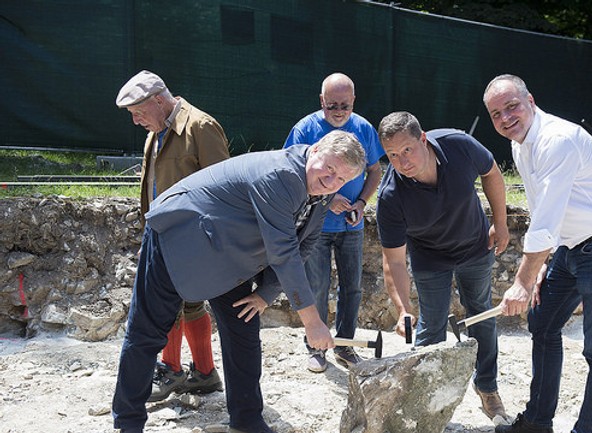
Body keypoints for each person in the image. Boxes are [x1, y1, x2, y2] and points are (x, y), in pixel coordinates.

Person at [111, 130, 367, 433]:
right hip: (182, 237)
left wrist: (265, 295)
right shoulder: (282, 175)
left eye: (341, 179)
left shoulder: (321, 194)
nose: (331, 180)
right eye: (330, 167)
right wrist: (312, 322)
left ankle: (247, 420)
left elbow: (304, 245)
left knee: (243, 331)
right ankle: (127, 423)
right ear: (315, 151)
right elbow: (283, 251)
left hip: (230, 253)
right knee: (147, 332)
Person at [482, 74, 592, 433]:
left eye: (511, 107)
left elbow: (544, 219)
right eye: (496, 114)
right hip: (574, 246)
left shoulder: (557, 140)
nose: (506, 118)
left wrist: (523, 281)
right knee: (543, 323)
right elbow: (546, 209)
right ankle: (538, 423)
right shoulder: (520, 144)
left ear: (531, 101)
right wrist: (544, 261)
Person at [376, 111, 511, 423]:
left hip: (476, 246)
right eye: (392, 155)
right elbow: (393, 260)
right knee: (431, 326)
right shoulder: (391, 196)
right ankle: (421, 400)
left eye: (407, 150)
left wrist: (500, 223)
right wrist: (403, 309)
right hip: (430, 258)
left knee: (480, 313)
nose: (402, 161)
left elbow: (492, 173)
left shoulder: (458, 145)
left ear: (423, 139)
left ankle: (487, 388)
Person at [116, 70, 229, 402]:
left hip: (191, 241)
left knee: (175, 307)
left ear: (158, 100)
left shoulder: (200, 127)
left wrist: (212, 245)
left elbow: (224, 190)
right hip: (163, 238)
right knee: (183, 306)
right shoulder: (157, 130)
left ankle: (176, 372)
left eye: (139, 113)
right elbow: (153, 188)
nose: (136, 121)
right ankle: (202, 374)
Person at [283, 72, 385, 372]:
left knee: (352, 287)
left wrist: (362, 203)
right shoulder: (304, 128)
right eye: (332, 106)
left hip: (352, 224)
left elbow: (375, 171)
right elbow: (291, 171)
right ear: (321, 102)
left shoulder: (364, 128)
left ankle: (345, 346)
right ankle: (315, 348)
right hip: (315, 225)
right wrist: (329, 200)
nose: (338, 112)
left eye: (344, 105)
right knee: (316, 285)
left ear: (353, 101)